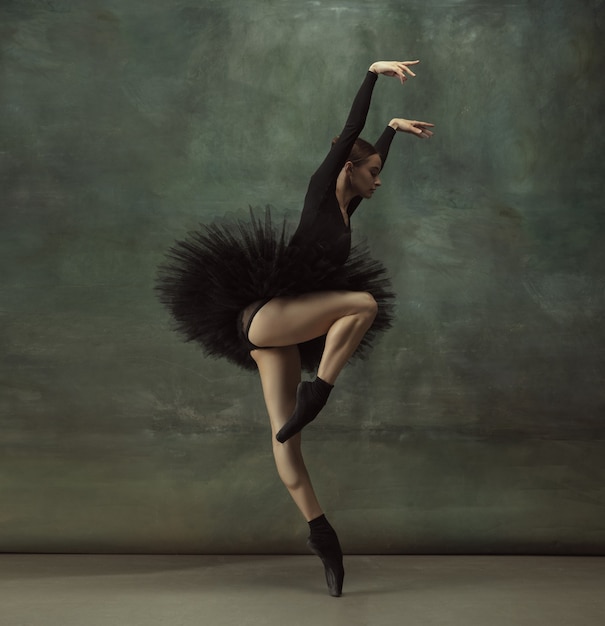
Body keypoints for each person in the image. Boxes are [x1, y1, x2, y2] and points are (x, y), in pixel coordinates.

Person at [156, 59, 434, 597]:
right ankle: (320, 390)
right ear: (347, 170)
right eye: (373, 172)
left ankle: (320, 532)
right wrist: (372, 75)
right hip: (263, 316)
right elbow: (350, 138)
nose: (380, 179)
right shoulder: (322, 188)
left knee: (286, 438)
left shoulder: (350, 205)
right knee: (363, 305)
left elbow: (365, 152)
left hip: (275, 335)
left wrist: (394, 132)